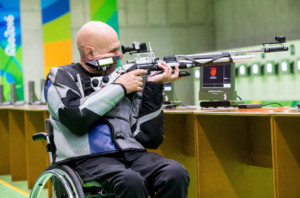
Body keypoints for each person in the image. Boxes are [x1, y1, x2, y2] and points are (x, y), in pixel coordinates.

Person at [44, 21, 190, 198]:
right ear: (90, 52)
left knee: (175, 172)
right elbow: (76, 119)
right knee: (130, 181)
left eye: (118, 49)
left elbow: (149, 138)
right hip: (85, 159)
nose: (119, 55)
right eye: (112, 51)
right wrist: (119, 87)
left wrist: (153, 86)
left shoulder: (123, 76)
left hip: (131, 153)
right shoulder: (61, 76)